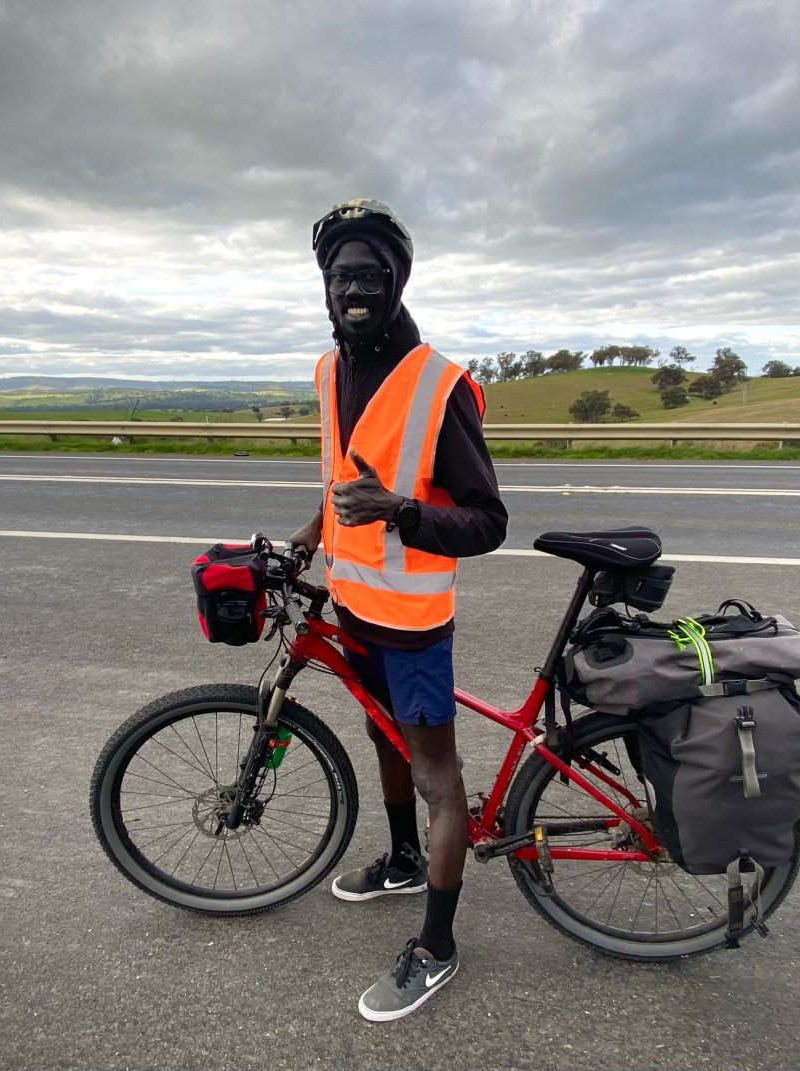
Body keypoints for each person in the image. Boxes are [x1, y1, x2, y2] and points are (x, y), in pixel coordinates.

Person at [290, 199, 507, 1022]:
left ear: (396, 281)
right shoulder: (327, 369)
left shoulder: (439, 385)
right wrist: (310, 534)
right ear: (324, 284)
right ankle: (404, 856)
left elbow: (488, 521)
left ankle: (439, 949)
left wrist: (399, 512)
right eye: (340, 274)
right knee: (381, 737)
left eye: (370, 274)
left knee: (436, 774)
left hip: (413, 623)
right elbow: (343, 476)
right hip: (353, 605)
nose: (354, 287)